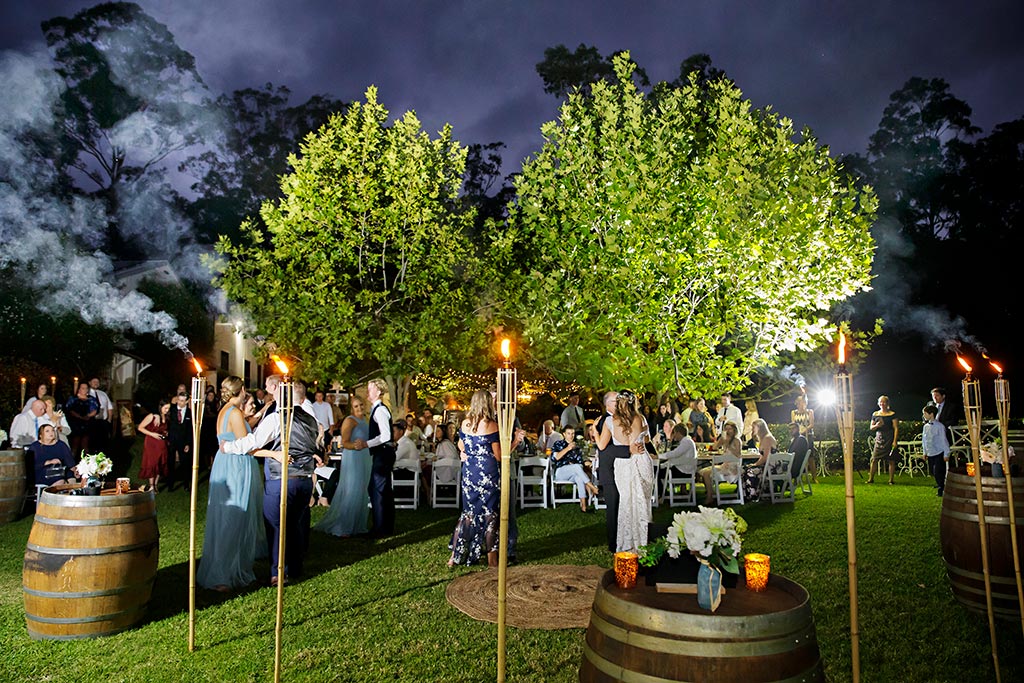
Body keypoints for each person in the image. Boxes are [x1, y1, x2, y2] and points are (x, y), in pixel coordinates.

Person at [221, 381, 322, 585]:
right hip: (304, 482)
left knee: (275, 524)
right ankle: (295, 566)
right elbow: (316, 444)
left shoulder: (278, 418)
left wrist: (228, 447)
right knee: (294, 524)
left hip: (282, 480)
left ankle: (278, 572)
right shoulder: (310, 419)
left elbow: (253, 442)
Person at [196, 377, 267, 591]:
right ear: (242, 390)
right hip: (235, 466)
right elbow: (247, 446)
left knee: (228, 518)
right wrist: (274, 453)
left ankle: (233, 569)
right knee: (233, 518)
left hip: (225, 463)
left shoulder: (224, 410)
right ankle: (222, 575)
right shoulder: (235, 413)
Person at [447, 389, 519, 567]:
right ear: (488, 403)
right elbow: (500, 456)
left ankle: (455, 557)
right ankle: (491, 559)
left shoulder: (465, 424)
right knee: (489, 515)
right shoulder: (492, 425)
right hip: (488, 474)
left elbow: (462, 445)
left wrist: (467, 454)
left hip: (470, 473)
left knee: (468, 514)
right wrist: (515, 441)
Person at [599, 390, 653, 554]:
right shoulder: (640, 418)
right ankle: (643, 542)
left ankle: (626, 543)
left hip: (623, 464)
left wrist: (595, 433)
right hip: (641, 460)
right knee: (642, 502)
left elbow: (602, 446)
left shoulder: (610, 421)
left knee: (626, 502)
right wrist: (639, 438)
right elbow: (646, 439)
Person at [316, 395, 372, 537]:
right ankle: (343, 526)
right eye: (356, 406)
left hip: (364, 456)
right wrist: (356, 445)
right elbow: (344, 442)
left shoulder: (365, 420)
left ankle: (357, 525)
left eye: (361, 405)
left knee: (361, 490)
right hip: (353, 457)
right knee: (351, 489)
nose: (359, 408)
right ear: (351, 408)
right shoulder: (349, 421)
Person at [590, 391, 624, 552]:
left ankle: (620, 538)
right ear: (608, 404)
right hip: (609, 470)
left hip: (618, 469)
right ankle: (613, 543)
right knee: (613, 506)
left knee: (618, 505)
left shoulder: (617, 419)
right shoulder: (606, 420)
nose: (618, 402)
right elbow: (605, 448)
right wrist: (628, 450)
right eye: (615, 400)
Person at [365, 378, 396, 538]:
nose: (367, 392)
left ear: (378, 391)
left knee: (378, 490)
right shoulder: (376, 409)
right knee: (379, 489)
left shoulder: (380, 411)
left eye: (370, 389)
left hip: (383, 453)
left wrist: (367, 444)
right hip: (383, 453)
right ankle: (384, 526)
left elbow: (385, 436)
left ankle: (381, 528)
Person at [550, 425, 599, 511]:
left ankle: (583, 506)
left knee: (579, 477)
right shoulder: (558, 444)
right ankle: (592, 487)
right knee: (576, 467)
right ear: (564, 434)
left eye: (573, 433)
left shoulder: (577, 447)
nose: (571, 436)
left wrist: (574, 465)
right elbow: (555, 458)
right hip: (560, 472)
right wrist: (568, 448)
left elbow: (580, 462)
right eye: (569, 433)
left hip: (573, 472)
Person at [701, 421, 744, 504]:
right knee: (703, 472)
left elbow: (738, 454)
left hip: (733, 468)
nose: (728, 431)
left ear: (734, 430)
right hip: (724, 465)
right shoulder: (724, 439)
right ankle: (711, 493)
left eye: (730, 429)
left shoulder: (737, 440)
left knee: (706, 474)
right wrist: (720, 440)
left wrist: (728, 445)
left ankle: (710, 496)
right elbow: (714, 447)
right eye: (726, 429)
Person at [137, 399, 171, 493]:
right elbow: (140, 427)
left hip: (162, 443)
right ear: (160, 407)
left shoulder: (166, 417)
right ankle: (151, 485)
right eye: (165, 408)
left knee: (160, 463)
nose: (167, 410)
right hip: (152, 442)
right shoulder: (152, 416)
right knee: (152, 463)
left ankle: (155, 485)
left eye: (168, 408)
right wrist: (152, 434)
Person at [742, 419, 778, 502]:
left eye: (753, 427)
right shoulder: (763, 438)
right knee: (745, 469)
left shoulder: (767, 438)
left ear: (759, 428)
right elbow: (763, 457)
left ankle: (753, 495)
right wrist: (755, 464)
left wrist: (755, 464)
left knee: (750, 471)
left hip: (772, 467)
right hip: (767, 465)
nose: (752, 429)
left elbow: (766, 457)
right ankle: (747, 494)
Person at [867, 395, 898, 485]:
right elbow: (871, 428)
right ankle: (870, 479)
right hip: (880, 438)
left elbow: (896, 428)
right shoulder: (875, 414)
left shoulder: (892, 414)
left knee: (891, 460)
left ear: (887, 403)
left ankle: (891, 480)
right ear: (878, 403)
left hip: (889, 437)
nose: (882, 404)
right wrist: (877, 425)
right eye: (881, 402)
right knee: (874, 459)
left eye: (884, 402)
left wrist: (895, 441)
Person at [922, 404, 951, 496]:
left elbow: (943, 440)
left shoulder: (940, 426)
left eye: (925, 414)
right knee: (933, 471)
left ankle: (941, 488)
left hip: (939, 452)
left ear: (931, 414)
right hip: (931, 452)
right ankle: (940, 484)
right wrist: (925, 452)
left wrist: (946, 453)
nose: (924, 416)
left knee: (939, 471)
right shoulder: (926, 426)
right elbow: (924, 440)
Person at [65, 382, 98, 457]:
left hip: (87, 423)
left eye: (86, 388)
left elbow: (95, 410)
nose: (85, 390)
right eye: (82, 388)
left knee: (85, 443)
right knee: (75, 443)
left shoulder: (91, 399)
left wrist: (88, 416)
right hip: (75, 423)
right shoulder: (73, 399)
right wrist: (79, 417)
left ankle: (86, 462)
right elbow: (69, 409)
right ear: (79, 389)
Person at [791, 392, 816, 480]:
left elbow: (812, 424)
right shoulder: (794, 412)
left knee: (810, 457)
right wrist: (798, 432)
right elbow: (793, 424)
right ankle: (798, 476)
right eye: (800, 403)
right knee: (798, 456)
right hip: (798, 437)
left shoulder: (809, 412)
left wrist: (804, 430)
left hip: (808, 435)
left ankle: (814, 477)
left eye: (803, 402)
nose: (801, 404)